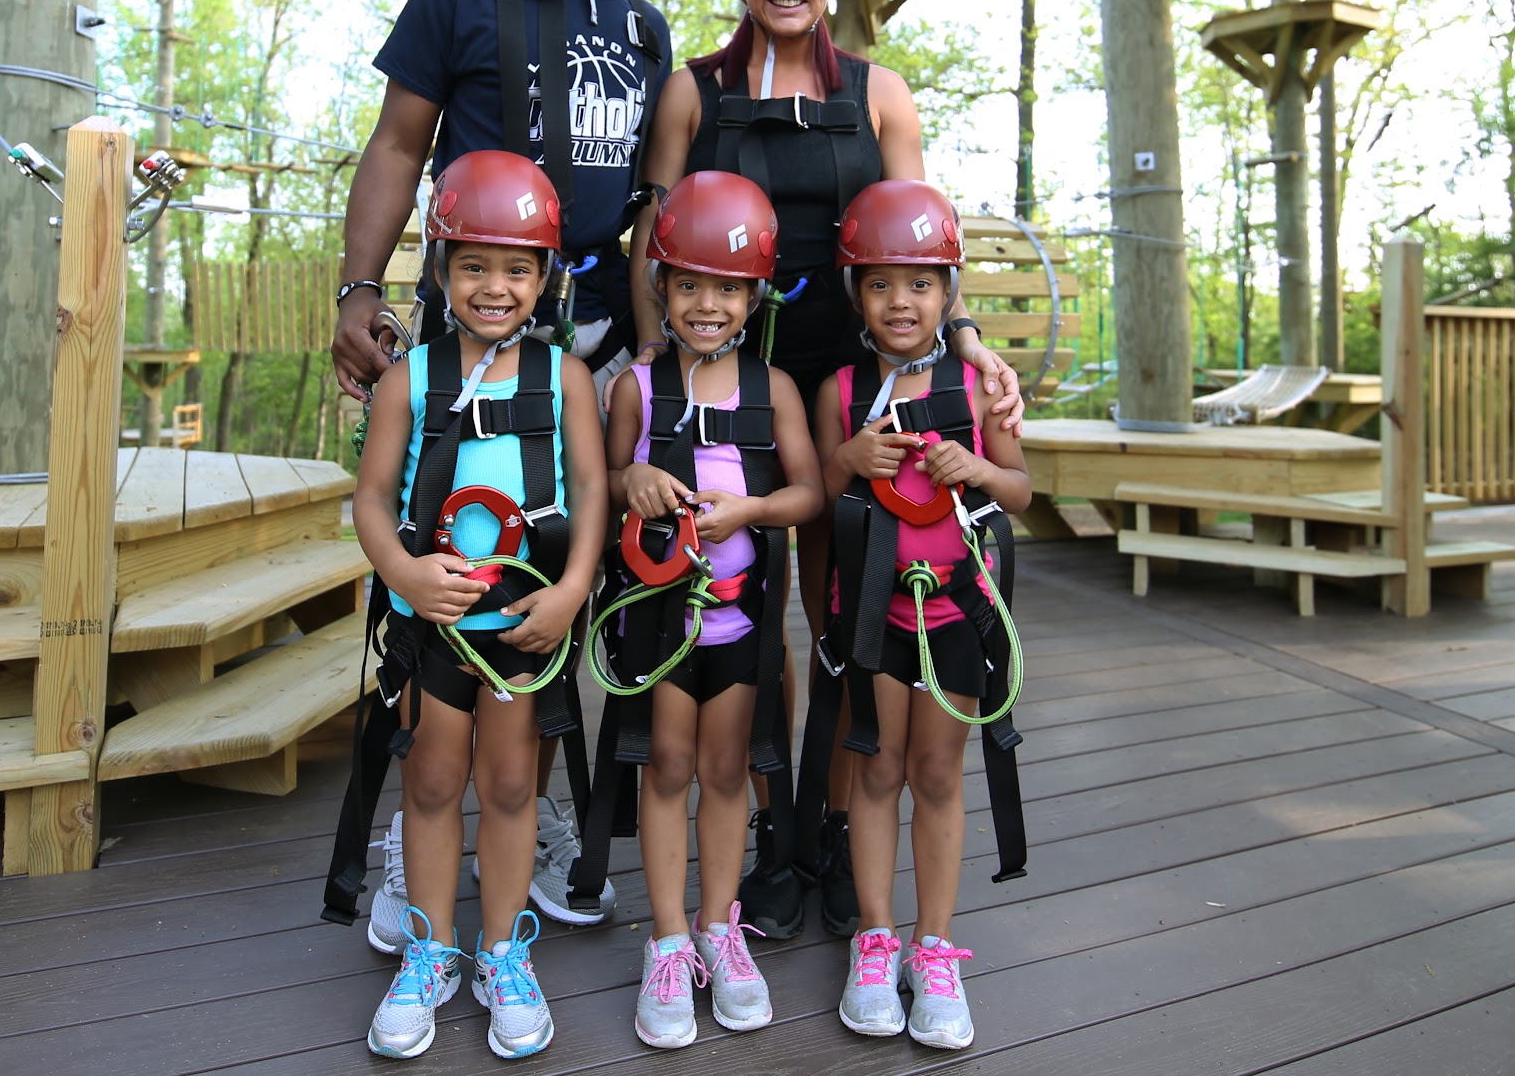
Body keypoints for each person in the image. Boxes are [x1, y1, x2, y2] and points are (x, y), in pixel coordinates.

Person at [635, 0, 1022, 939]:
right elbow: (654, 239)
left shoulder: (879, 93)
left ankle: (847, 830)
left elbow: (920, 239)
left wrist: (967, 343)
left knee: (850, 612)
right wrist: (653, 356)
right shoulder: (694, 91)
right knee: (750, 609)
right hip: (738, 381)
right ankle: (772, 832)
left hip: (862, 387)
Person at [333, 0, 676, 939]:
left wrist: (648, 350)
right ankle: (412, 831)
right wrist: (358, 288)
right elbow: (397, 142)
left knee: (561, 572)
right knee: (443, 569)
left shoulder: (645, 30)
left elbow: (647, 211)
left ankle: (534, 813)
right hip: (470, 314)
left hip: (586, 332)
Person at [338, 152, 608, 1061]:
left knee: (510, 787)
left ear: (546, 278)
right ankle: (429, 951)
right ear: (442, 269)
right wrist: (403, 574)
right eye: (474, 266)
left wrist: (571, 591)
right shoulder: (408, 380)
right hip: (436, 633)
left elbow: (592, 493)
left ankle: (501, 954)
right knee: (430, 783)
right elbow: (372, 499)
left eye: (517, 269)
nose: (495, 287)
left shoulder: (565, 379)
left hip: (524, 634)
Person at [588, 172, 821, 1047]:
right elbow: (608, 480)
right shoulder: (637, 390)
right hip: (656, 623)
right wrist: (636, 479)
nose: (708, 305)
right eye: (688, 285)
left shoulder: (774, 390)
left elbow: (807, 493)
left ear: (754, 296)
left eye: (728, 289)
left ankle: (721, 931)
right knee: (668, 767)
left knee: (725, 772)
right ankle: (667, 941)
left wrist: (751, 510)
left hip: (738, 627)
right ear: (662, 287)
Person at [809, 179, 1030, 1051]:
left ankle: (934, 950)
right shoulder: (841, 388)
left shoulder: (977, 388)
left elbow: (1020, 489)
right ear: (855, 292)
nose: (900, 301)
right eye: (879, 283)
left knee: (938, 774)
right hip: (872, 617)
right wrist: (848, 457)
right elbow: (818, 494)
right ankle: (875, 940)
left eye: (921, 283)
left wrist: (978, 471)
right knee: (875, 770)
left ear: (949, 292)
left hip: (956, 616)